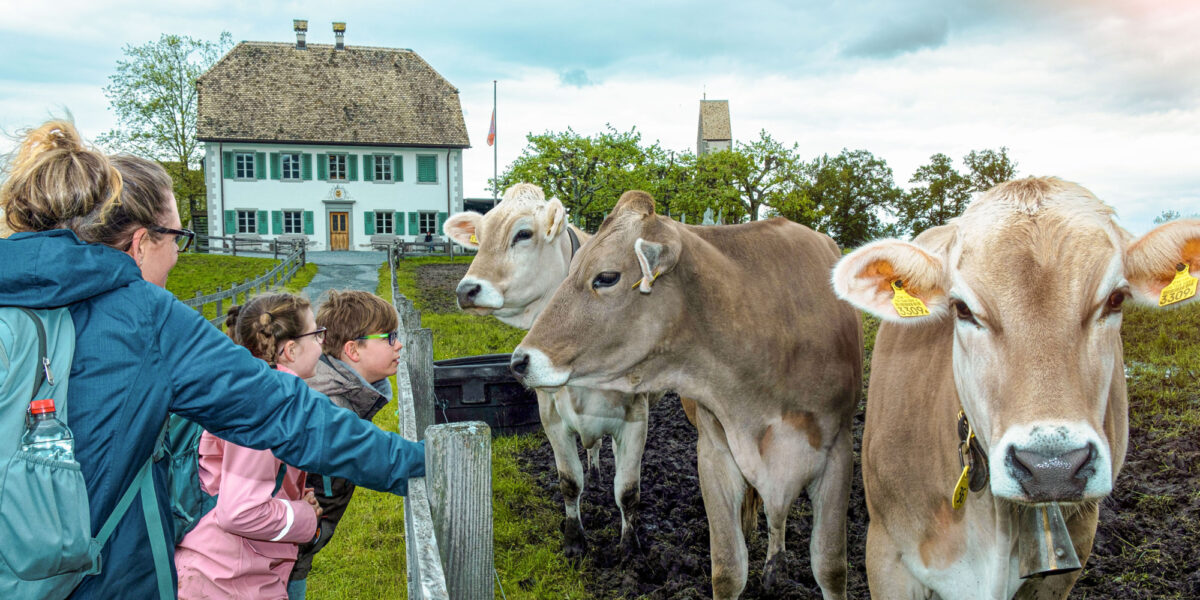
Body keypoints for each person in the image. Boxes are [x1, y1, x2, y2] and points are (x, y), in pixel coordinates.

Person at [0, 120, 425, 599]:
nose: (178, 256)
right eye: (176, 238)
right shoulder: (145, 319)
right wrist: (418, 461)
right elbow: (287, 413)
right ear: (140, 243)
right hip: (106, 581)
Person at [176, 294, 326, 599]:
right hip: (226, 578)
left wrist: (294, 495)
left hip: (220, 568)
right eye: (316, 334)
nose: (322, 342)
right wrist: (304, 516)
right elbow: (240, 512)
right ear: (291, 349)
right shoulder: (265, 403)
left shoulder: (244, 387)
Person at [287, 290, 403, 598]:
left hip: (294, 552)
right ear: (353, 350)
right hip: (278, 559)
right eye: (389, 337)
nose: (399, 344)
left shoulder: (337, 392)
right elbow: (382, 464)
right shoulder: (330, 408)